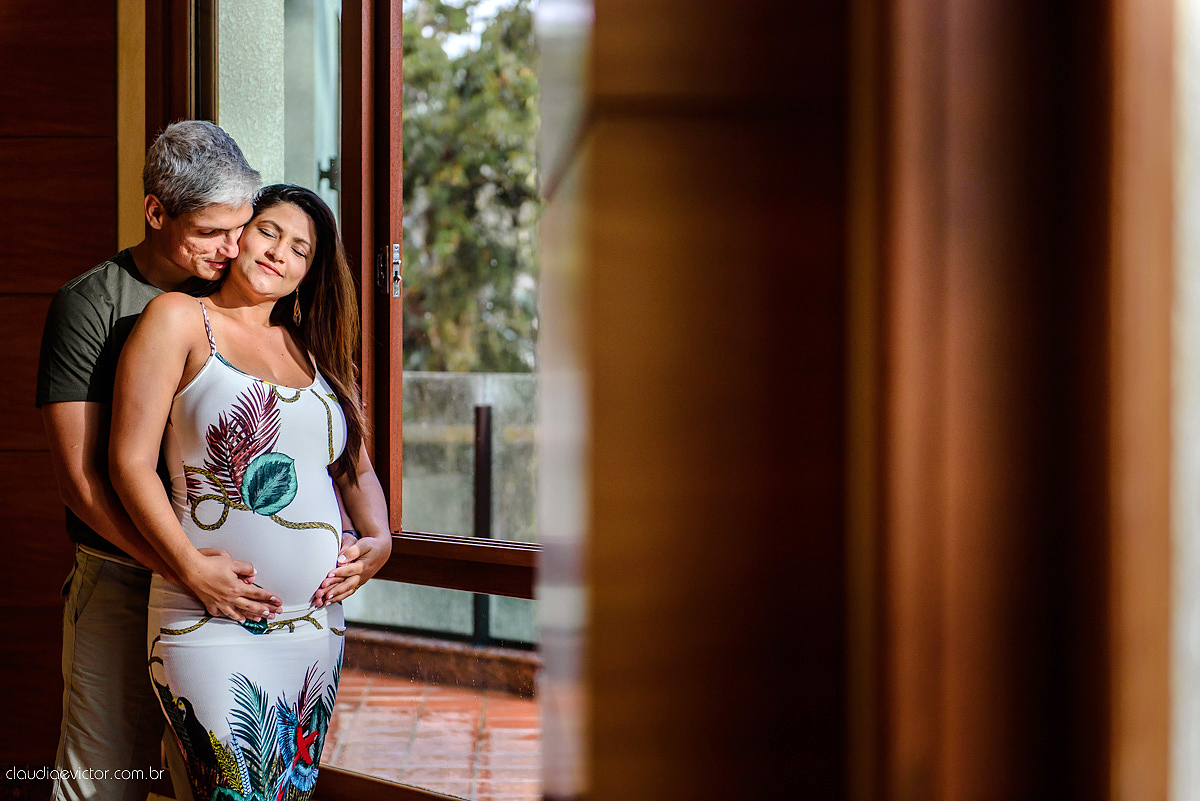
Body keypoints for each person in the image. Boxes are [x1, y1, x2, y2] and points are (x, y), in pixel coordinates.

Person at [109, 184, 392, 801]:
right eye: (269, 231)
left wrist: (381, 539)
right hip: (207, 614)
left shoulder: (311, 344)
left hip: (316, 626)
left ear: (308, 273)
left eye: (301, 249)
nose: (279, 253)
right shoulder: (179, 319)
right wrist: (188, 567)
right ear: (238, 234)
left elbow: (355, 468)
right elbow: (128, 461)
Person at [36, 120, 278, 801]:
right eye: (210, 232)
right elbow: (81, 483)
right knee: (101, 781)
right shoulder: (90, 304)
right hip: (119, 577)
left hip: (225, 588)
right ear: (155, 211)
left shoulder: (241, 296)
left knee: (217, 782)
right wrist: (182, 565)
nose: (232, 249)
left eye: (241, 228)